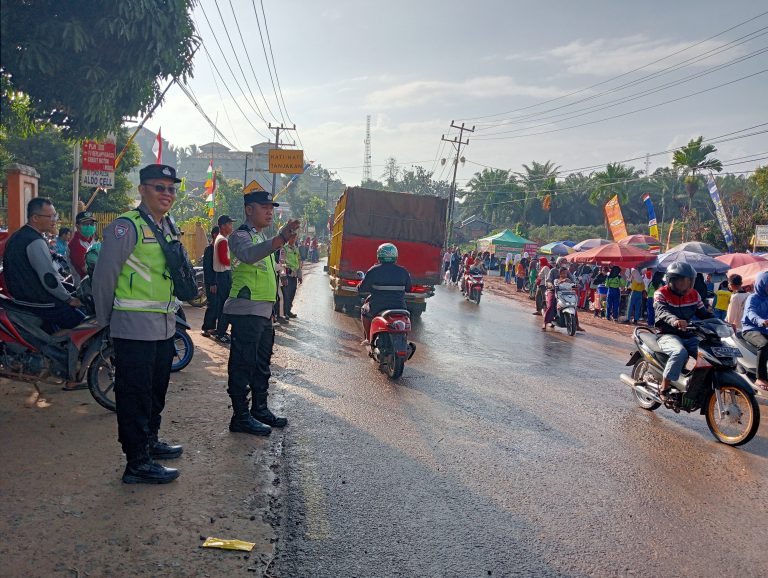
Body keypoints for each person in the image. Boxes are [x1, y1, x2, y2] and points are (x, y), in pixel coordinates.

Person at [92, 163, 186, 484]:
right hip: (132, 329)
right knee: (134, 396)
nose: (167, 194)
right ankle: (136, 462)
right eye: (159, 187)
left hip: (162, 328)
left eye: (171, 189)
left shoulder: (168, 226)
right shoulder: (126, 226)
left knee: (155, 392)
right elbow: (104, 278)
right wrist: (106, 324)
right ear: (142, 190)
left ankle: (150, 442)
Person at [223, 189, 300, 436]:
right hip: (246, 310)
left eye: (272, 208)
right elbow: (247, 256)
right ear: (249, 210)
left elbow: (269, 275)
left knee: (261, 364)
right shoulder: (240, 236)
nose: (270, 212)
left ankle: (259, 408)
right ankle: (241, 417)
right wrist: (280, 239)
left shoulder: (260, 238)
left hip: (263, 311)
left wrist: (274, 308)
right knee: (242, 364)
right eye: (264, 207)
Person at [2, 198, 85, 330]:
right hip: (41, 303)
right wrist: (69, 300)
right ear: (35, 217)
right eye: (51, 216)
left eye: (55, 215)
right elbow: (49, 279)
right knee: (82, 325)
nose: (55, 220)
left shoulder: (17, 236)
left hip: (20, 300)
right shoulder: (35, 241)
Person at [654, 262, 713, 400]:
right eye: (680, 280)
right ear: (671, 280)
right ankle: (664, 387)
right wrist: (674, 320)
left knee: (708, 354)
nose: (684, 284)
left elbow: (704, 314)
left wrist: (723, 323)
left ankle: (695, 385)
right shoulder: (661, 293)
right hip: (667, 334)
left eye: (687, 281)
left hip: (689, 333)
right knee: (680, 352)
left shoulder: (694, 294)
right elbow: (662, 311)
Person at [358, 243, 412, 342]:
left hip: (377, 307)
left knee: (364, 310)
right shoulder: (403, 271)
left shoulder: (373, 270)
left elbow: (361, 289)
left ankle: (368, 339)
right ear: (395, 256)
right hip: (400, 307)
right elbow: (409, 288)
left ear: (379, 255)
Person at [741, 271, 768, 392]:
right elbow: (751, 313)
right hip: (750, 329)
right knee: (764, 344)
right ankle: (760, 377)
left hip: (764, 330)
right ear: (761, 284)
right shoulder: (752, 298)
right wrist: (761, 321)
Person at [211, 215, 234, 343]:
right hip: (223, 275)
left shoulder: (221, 239)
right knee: (226, 306)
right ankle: (221, 332)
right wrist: (236, 261)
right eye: (230, 224)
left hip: (221, 275)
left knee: (222, 305)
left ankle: (220, 330)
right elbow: (224, 260)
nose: (231, 227)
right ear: (224, 226)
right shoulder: (222, 240)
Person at [67, 211, 97, 285]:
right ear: (77, 226)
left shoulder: (91, 240)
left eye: (92, 224)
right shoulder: (76, 244)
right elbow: (87, 270)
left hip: (92, 283)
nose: (89, 226)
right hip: (83, 286)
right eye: (85, 224)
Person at [201, 225, 220, 338]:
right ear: (214, 235)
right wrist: (212, 283)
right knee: (212, 305)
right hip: (211, 283)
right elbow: (208, 269)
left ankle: (212, 327)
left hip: (218, 282)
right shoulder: (209, 249)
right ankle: (206, 327)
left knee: (217, 305)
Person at [280, 234, 303, 318]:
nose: (293, 240)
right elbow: (282, 263)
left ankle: (288, 311)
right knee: (286, 295)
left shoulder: (296, 249)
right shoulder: (284, 249)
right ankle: (284, 313)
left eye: (294, 238)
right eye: (292, 237)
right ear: (288, 238)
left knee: (292, 294)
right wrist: (283, 276)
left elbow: (298, 262)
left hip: (294, 276)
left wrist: (300, 276)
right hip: (287, 276)